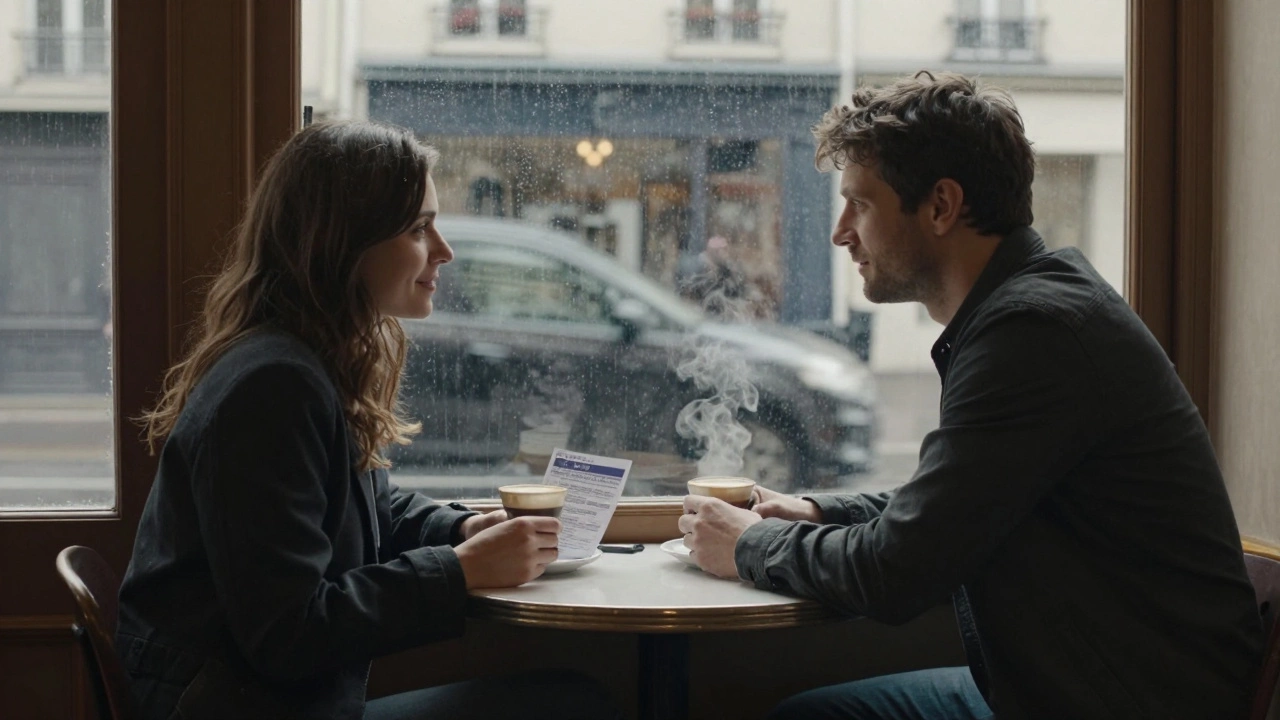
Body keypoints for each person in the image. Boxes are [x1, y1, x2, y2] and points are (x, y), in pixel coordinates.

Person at [677, 71, 1264, 720]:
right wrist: (818, 512)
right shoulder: (1028, 310)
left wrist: (747, 545)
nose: (841, 232)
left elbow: (897, 571)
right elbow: (958, 500)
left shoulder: (1033, 333)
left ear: (940, 206)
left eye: (861, 204)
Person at [117, 121, 616, 720]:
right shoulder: (274, 385)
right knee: (575, 703)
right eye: (418, 228)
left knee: (571, 697)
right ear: (342, 241)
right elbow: (288, 634)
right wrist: (459, 573)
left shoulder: (298, 361)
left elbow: (365, 506)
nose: (444, 250)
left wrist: (460, 532)